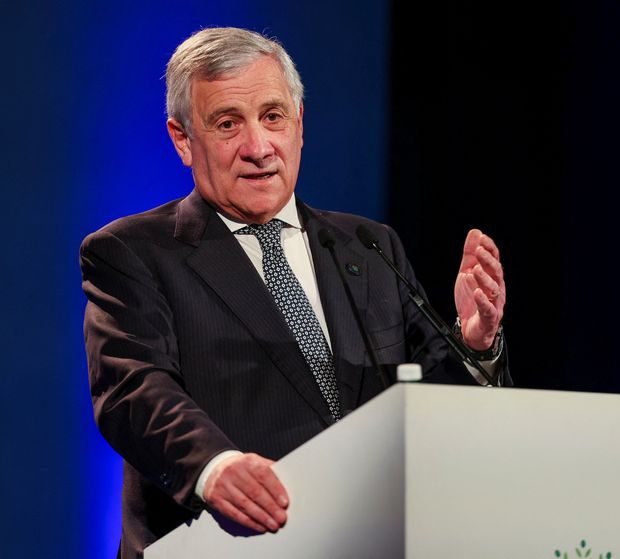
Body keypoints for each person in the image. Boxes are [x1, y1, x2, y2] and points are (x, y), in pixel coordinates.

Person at [80, 26, 510, 559]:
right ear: (183, 139)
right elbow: (132, 389)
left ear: (300, 125)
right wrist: (215, 468)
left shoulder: (370, 247)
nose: (258, 147)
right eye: (227, 123)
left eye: (273, 116)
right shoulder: (133, 252)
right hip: (223, 544)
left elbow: (426, 406)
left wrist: (473, 346)